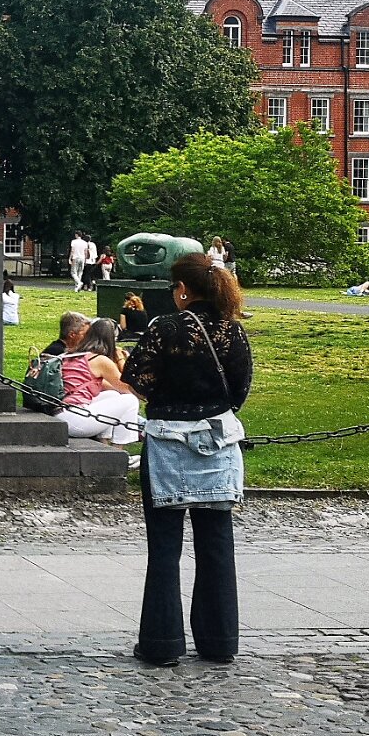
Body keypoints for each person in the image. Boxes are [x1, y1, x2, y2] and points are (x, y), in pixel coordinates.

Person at [123, 252, 253, 668]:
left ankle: (161, 642)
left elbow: (138, 381)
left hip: (167, 441)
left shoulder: (164, 328)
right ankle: (219, 640)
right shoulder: (233, 330)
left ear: (181, 290)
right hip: (217, 441)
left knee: (164, 547)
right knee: (216, 543)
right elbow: (240, 390)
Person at [56, 317, 142, 447]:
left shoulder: (70, 354)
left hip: (60, 413)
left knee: (112, 395)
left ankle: (103, 443)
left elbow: (112, 389)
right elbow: (128, 388)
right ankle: (118, 449)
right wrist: (120, 359)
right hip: (75, 419)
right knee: (130, 400)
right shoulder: (99, 360)